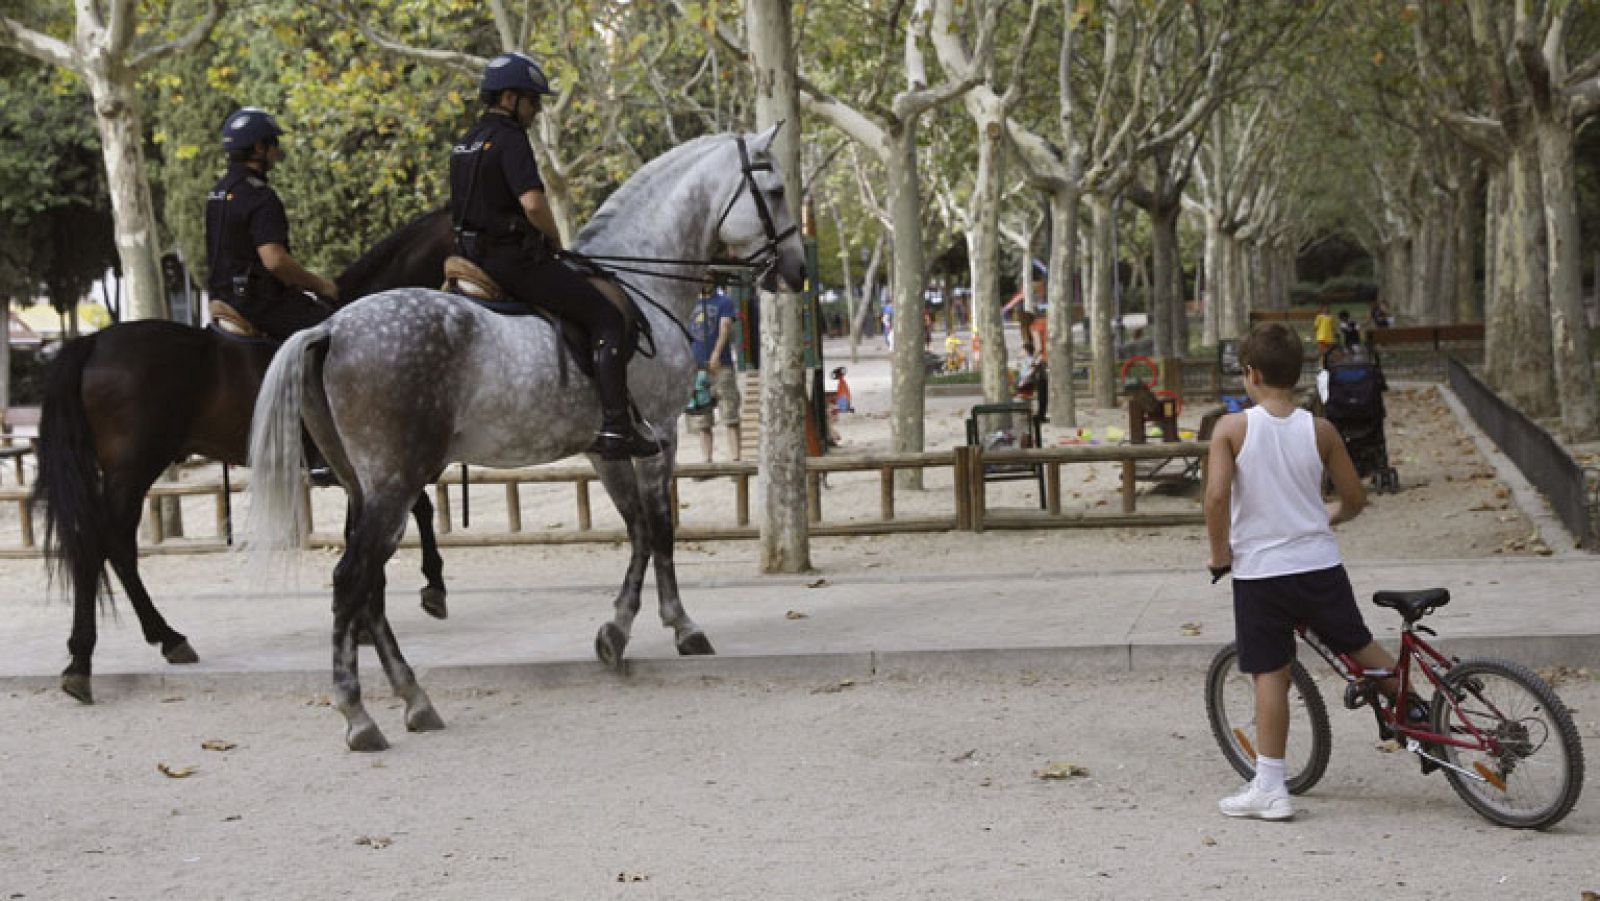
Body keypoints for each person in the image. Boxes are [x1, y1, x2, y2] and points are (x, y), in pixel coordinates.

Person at [1204, 321, 1413, 821]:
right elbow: (1355, 498)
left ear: (1249, 374)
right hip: (1319, 563)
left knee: (1269, 672)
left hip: (1262, 572)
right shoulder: (1320, 430)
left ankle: (1271, 787)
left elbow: (1215, 497)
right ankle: (1420, 713)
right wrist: (1327, 519)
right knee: (1358, 643)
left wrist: (1219, 555)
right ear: (1299, 374)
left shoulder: (1231, 429)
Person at [450, 52, 656, 460]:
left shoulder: (464, 142)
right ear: (509, 98)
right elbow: (532, 204)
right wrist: (556, 241)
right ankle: (617, 425)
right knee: (607, 317)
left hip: (470, 254)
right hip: (512, 259)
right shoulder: (509, 139)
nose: (537, 110)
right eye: (532, 101)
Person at [205, 108, 339, 341]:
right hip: (258, 305)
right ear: (259, 148)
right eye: (273, 143)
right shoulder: (260, 196)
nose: (277, 150)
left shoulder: (217, 192)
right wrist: (321, 285)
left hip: (222, 298)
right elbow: (274, 261)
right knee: (334, 332)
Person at [687, 285, 742, 463]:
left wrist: (716, 353)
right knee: (702, 418)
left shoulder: (723, 301)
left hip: (721, 365)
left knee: (730, 414)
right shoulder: (690, 303)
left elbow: (725, 327)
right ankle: (706, 459)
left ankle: (735, 458)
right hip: (697, 366)